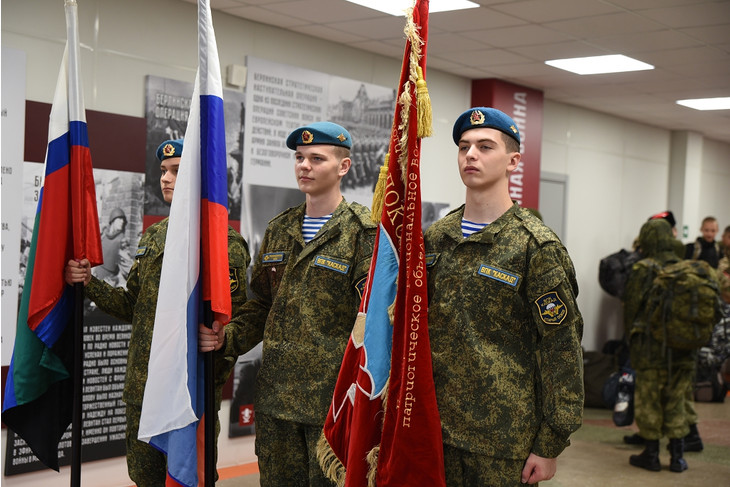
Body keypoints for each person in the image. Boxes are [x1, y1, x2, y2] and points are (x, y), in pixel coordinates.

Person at [65, 138, 251, 485]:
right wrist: (89, 282)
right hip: (143, 391)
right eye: (163, 171)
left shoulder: (222, 244)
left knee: (186, 478)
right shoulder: (154, 236)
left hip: (187, 395)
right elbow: (131, 306)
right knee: (144, 478)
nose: (165, 178)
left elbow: (234, 326)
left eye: (176, 171)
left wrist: (209, 381)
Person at [203, 121, 376, 486]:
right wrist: (226, 338)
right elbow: (260, 305)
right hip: (276, 401)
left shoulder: (365, 232)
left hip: (333, 405)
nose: (304, 166)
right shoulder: (280, 229)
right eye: (299, 157)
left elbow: (373, 325)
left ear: (343, 167)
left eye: (316, 158)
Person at [424, 107, 584, 486]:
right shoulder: (436, 239)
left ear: (513, 161)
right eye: (464, 147)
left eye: (484, 146)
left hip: (502, 441)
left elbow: (561, 347)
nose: (471, 155)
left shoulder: (534, 246)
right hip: (434, 431)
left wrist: (550, 443)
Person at [624, 218, 696, 473]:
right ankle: (677, 457)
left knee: (649, 399)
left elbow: (632, 309)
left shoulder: (643, 269)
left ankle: (651, 454)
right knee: (677, 400)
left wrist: (630, 340)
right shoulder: (685, 268)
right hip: (684, 348)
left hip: (651, 349)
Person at [94, 207, 129, 285]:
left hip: (107, 282)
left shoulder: (122, 240)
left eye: (123, 220)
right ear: (113, 220)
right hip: (95, 275)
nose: (122, 222)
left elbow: (128, 267)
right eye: (119, 219)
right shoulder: (104, 235)